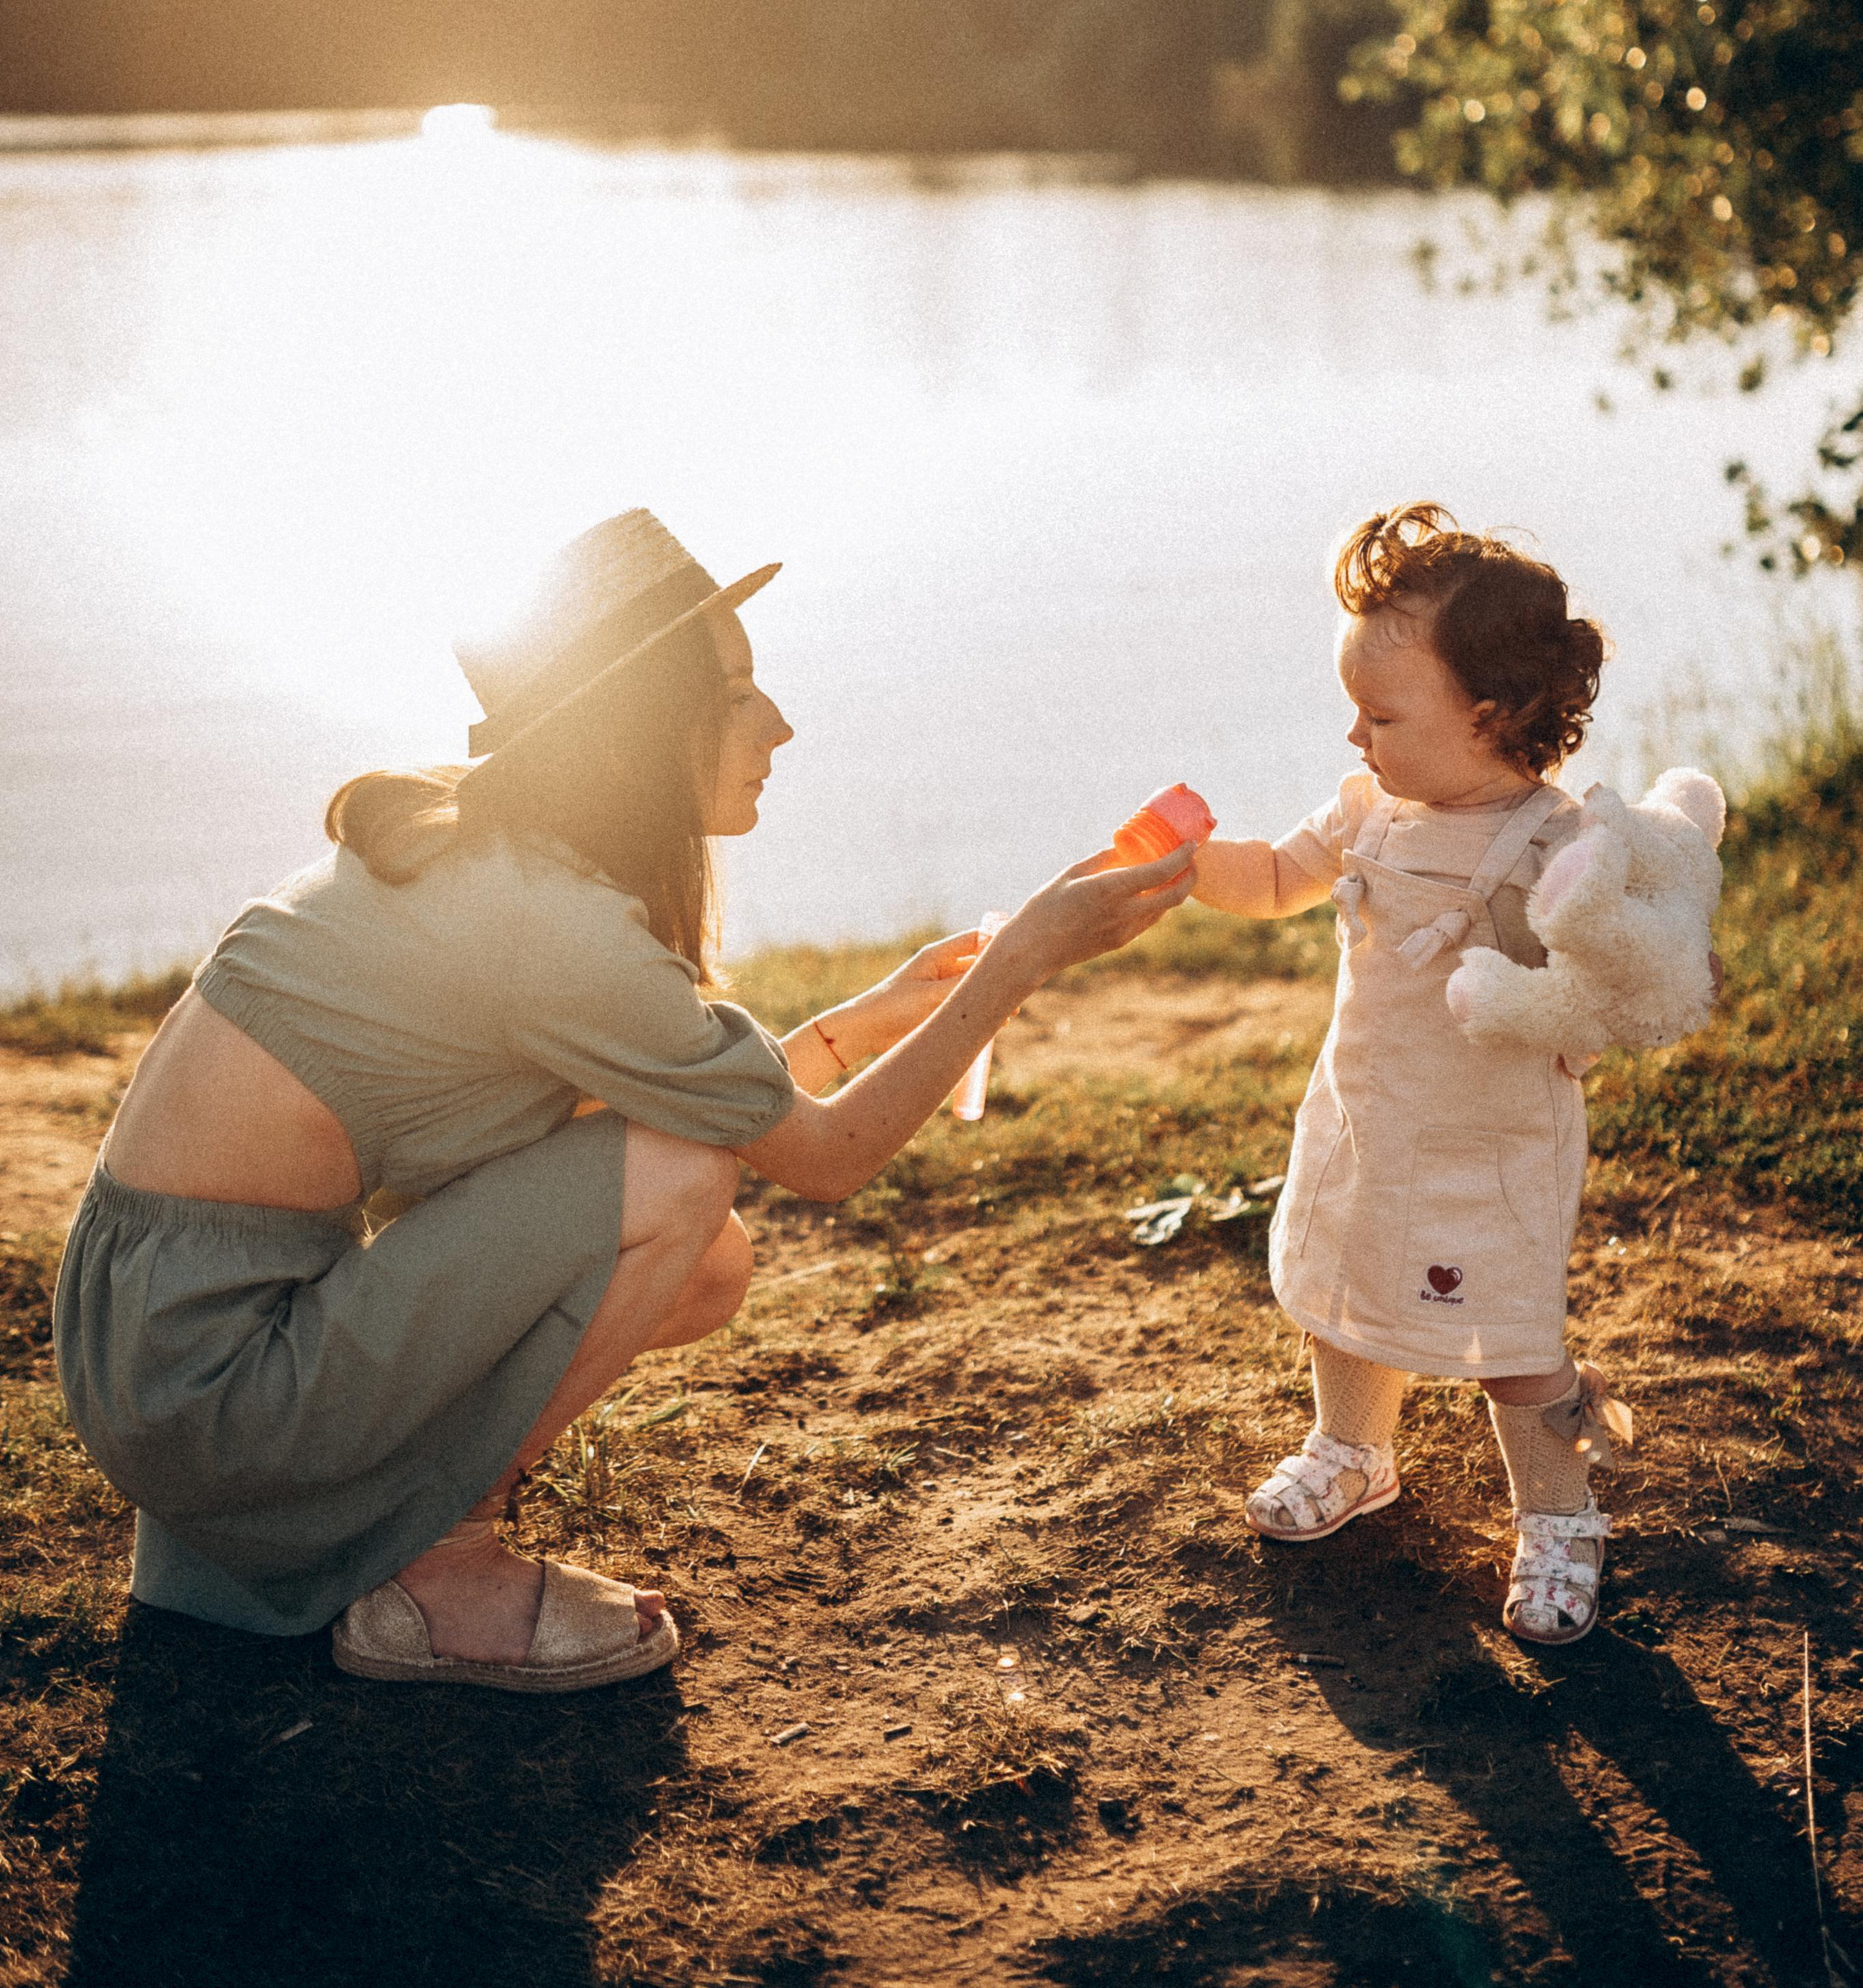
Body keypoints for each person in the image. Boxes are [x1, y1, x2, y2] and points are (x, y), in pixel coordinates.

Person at [55, 511, 1191, 1691]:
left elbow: (672, 1101)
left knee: (707, 1256)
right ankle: (439, 1563)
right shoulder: (546, 920)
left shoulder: (475, 844)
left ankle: (303, 1520)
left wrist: (872, 1016)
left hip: (163, 1348)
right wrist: (1023, 962)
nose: (778, 723)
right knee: (686, 1191)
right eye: (735, 695)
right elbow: (827, 1157)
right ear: (639, 728)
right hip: (217, 1387)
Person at [1191, 503, 1621, 1645]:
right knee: (1345, 1290)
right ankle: (1353, 1450)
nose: (1355, 737)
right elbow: (1274, 876)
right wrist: (1186, 863)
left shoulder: (1557, 844)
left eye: (1380, 716)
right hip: (1369, 1113)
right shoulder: (1369, 810)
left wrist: (1630, 966)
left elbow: (1619, 976)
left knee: (1514, 1344)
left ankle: (1560, 1515)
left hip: (1494, 1145)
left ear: (1496, 715)